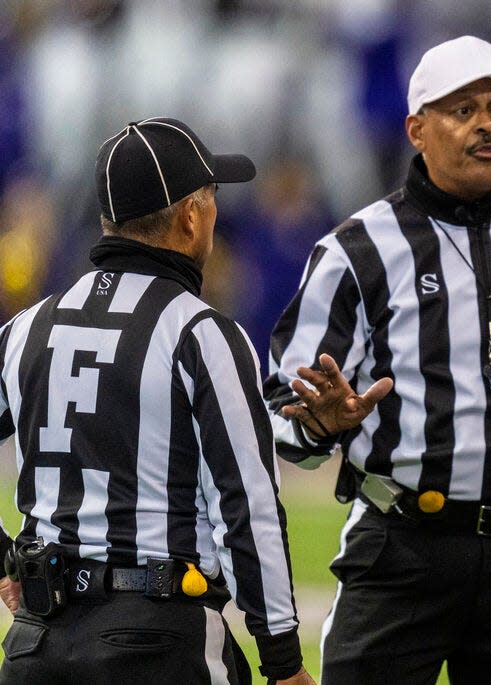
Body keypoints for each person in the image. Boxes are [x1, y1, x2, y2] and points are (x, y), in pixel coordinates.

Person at [262, 35, 491, 685]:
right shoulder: (357, 248)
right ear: (417, 128)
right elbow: (283, 411)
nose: (488, 123)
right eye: (463, 110)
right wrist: (320, 424)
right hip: (400, 546)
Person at [0, 117, 315, 685]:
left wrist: (3, 556)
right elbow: (248, 505)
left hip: (36, 642)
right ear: (191, 215)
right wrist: (284, 662)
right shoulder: (201, 332)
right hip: (157, 639)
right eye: (212, 197)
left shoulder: (26, 327)